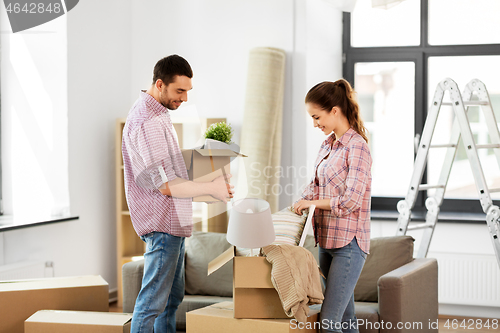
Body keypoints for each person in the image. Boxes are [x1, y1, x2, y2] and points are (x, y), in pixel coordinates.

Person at [122, 54, 234, 333]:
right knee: (151, 304)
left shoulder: (159, 114)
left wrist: (213, 163)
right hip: (162, 226)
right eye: (179, 91)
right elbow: (166, 185)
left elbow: (170, 166)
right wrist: (212, 190)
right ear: (160, 84)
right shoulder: (146, 121)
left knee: (171, 300)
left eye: (187, 91)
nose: (183, 98)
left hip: (174, 224)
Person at [293, 79, 372, 333]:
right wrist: (301, 201)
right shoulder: (327, 144)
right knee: (345, 321)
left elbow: (350, 201)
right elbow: (316, 184)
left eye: (317, 117)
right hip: (326, 240)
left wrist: (312, 202)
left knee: (328, 323)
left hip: (349, 244)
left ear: (335, 111)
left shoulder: (357, 147)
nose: (315, 124)